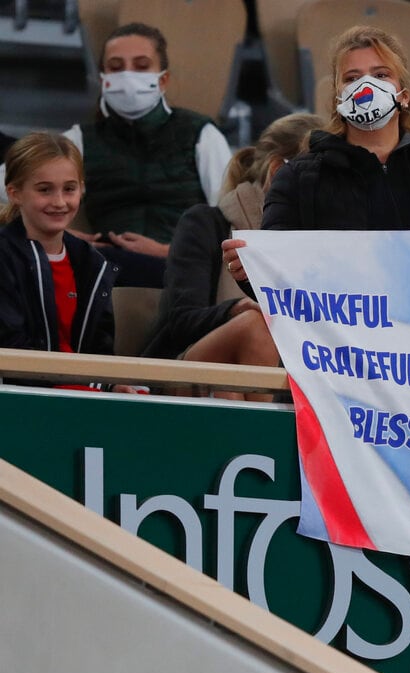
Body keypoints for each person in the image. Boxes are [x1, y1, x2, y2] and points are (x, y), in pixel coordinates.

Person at [222, 24, 410, 280]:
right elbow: (280, 280)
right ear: (338, 99)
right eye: (352, 78)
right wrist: (251, 274)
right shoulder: (297, 179)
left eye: (381, 75)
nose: (366, 87)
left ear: (404, 95)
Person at [1, 23, 232, 285]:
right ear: (104, 80)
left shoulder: (202, 134)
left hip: (184, 268)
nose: (128, 76)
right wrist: (57, 234)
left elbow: (228, 221)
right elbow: (11, 185)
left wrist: (168, 251)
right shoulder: (80, 140)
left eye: (142, 66)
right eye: (116, 67)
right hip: (105, 268)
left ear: (163, 80)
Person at [143, 113, 323, 399]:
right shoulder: (206, 223)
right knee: (257, 325)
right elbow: (180, 321)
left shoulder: (331, 244)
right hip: (187, 368)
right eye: (325, 179)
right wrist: (237, 308)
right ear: (278, 171)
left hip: (295, 378)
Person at [0, 132, 139, 394]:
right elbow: (15, 352)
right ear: (14, 193)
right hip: (23, 400)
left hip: (81, 396)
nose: (60, 202)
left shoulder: (92, 262)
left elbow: (100, 349)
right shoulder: (4, 255)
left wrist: (112, 385)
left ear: (82, 189)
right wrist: (100, 385)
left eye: (69, 189)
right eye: (44, 190)